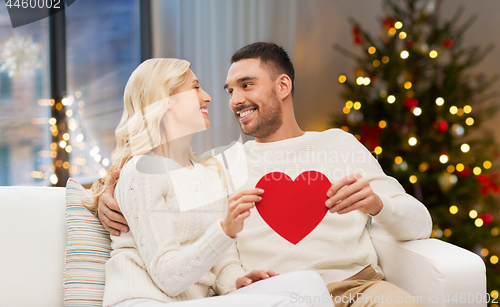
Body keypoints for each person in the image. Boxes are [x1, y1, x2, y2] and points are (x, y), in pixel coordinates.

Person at [97, 44, 432, 307]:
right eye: (230, 90)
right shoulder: (219, 165)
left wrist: (378, 204)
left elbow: (420, 224)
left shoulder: (339, 145)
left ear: (282, 85)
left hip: (358, 289)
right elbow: (151, 194)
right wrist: (103, 198)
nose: (234, 100)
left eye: (246, 85)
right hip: (276, 297)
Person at [88, 58, 334, 307]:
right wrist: (224, 230)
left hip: (192, 303)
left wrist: (239, 281)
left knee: (307, 283)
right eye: (195, 88)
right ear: (165, 101)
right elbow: (168, 277)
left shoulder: (210, 171)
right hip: (145, 300)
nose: (207, 97)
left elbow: (224, 263)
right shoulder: (142, 172)